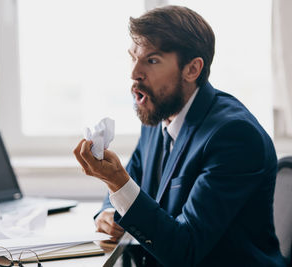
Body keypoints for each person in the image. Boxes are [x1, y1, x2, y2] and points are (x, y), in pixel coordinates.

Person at [73, 5, 286, 267]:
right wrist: (107, 211)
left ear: (192, 69)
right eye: (133, 57)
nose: (134, 73)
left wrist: (117, 183)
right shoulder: (157, 116)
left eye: (152, 60)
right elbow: (132, 180)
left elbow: (185, 250)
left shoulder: (235, 136)